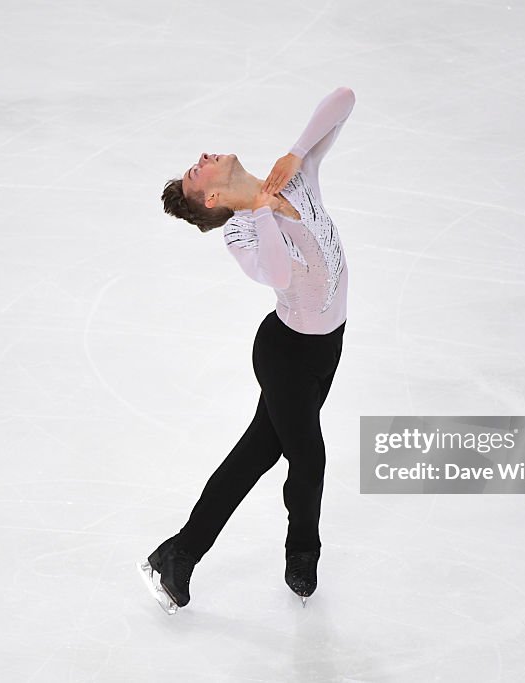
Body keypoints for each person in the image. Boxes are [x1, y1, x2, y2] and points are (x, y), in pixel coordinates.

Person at [147, 86, 356, 610]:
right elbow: (280, 273)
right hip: (285, 354)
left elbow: (343, 99)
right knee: (308, 458)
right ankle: (302, 552)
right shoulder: (240, 234)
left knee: (254, 456)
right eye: (197, 173)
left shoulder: (293, 176)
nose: (202, 159)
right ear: (212, 200)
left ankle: (178, 555)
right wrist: (263, 210)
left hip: (328, 346)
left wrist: (298, 150)